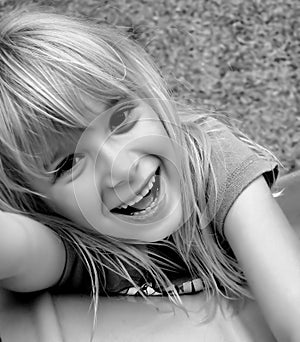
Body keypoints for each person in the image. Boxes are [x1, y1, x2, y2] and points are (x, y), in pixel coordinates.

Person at [0, 5, 300, 341]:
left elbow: (294, 309)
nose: (122, 168)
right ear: (37, 203)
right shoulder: (75, 240)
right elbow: (14, 246)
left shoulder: (211, 159)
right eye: (69, 164)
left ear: (148, 93)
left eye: (121, 118)